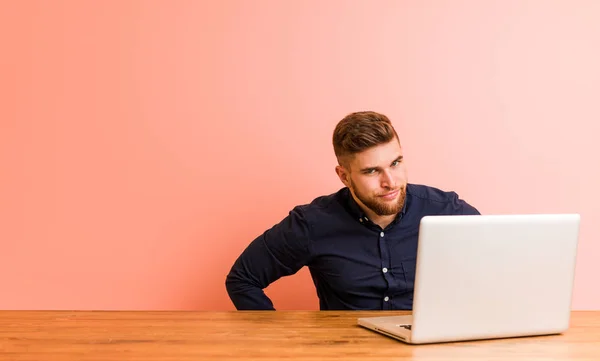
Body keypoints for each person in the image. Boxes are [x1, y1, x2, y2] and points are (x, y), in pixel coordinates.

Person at [225, 111, 479, 310]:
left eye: (396, 163)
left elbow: (500, 267)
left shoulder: (446, 211)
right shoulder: (312, 223)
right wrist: (276, 344)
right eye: (371, 171)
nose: (390, 181)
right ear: (344, 176)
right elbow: (242, 279)